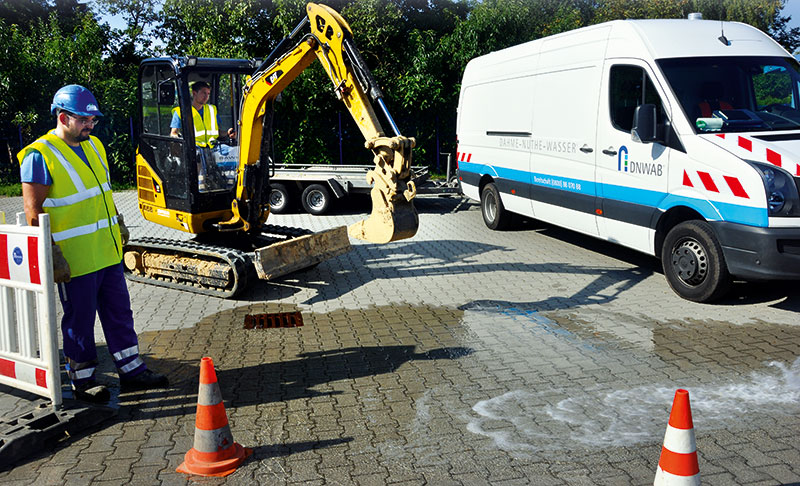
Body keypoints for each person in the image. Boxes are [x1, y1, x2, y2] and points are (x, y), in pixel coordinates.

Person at [18, 84, 169, 403]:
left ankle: (132, 371)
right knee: (80, 320)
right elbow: (34, 211)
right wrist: (51, 254)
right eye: (84, 119)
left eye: (93, 119)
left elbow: (102, 192)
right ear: (62, 117)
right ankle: (83, 381)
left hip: (107, 252)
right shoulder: (39, 155)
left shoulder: (95, 145)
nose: (90, 125)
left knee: (119, 314)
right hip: (74, 261)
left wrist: (119, 221)